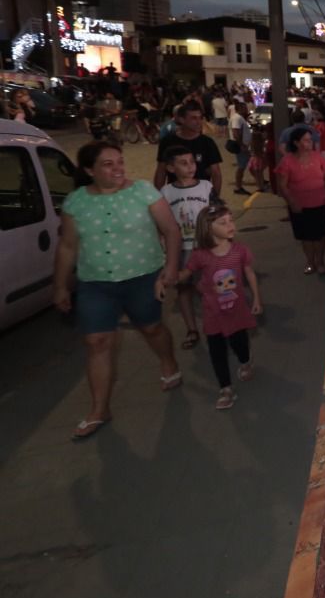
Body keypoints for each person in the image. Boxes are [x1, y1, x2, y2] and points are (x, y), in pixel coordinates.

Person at [53, 141, 184, 440]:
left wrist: (172, 267)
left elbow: (171, 230)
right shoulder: (76, 202)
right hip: (95, 283)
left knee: (151, 329)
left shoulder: (142, 192)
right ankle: (99, 409)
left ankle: (168, 361)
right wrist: (60, 285)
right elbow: (68, 246)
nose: (118, 168)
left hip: (142, 277)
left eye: (120, 162)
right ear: (89, 170)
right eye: (108, 164)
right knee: (97, 341)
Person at [180, 204, 261, 410]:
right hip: (212, 312)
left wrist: (257, 299)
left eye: (231, 220)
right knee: (216, 350)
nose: (230, 225)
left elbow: (249, 273)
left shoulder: (240, 251)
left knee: (239, 342)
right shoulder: (200, 255)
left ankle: (245, 361)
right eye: (223, 223)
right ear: (208, 228)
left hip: (236, 308)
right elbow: (186, 273)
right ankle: (225, 388)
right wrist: (168, 277)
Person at [161, 145, 214, 349]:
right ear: (171, 168)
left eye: (192, 161)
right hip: (180, 250)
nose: (190, 166)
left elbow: (216, 213)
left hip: (204, 247)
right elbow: (162, 223)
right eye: (183, 163)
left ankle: (214, 324)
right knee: (183, 289)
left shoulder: (206, 187)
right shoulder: (166, 192)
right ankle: (191, 328)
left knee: (208, 287)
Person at [275, 127, 325, 274]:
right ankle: (310, 262)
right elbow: (282, 185)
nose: (310, 143)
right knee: (306, 236)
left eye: (310, 139)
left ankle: (320, 262)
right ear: (296, 143)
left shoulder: (317, 157)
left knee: (320, 235)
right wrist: (292, 202)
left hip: (319, 202)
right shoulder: (287, 161)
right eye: (306, 140)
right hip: (300, 205)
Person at [155, 102, 223, 197]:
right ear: (182, 119)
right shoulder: (167, 142)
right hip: (175, 195)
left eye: (200, 118)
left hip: (201, 195)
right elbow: (161, 171)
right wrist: (158, 198)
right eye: (193, 118)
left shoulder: (207, 142)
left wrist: (215, 199)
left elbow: (216, 173)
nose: (199, 122)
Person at [228, 101, 257, 195]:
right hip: (242, 147)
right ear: (240, 108)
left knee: (248, 164)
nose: (246, 109)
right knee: (241, 167)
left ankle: (259, 180)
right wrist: (242, 145)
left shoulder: (240, 118)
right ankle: (238, 187)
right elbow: (236, 132)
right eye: (245, 107)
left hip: (243, 146)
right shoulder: (237, 118)